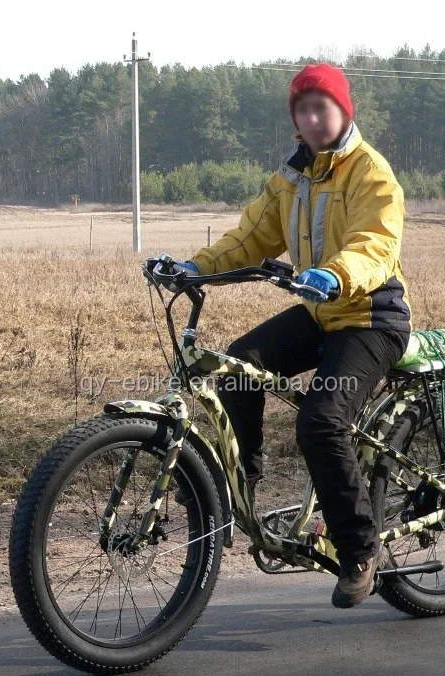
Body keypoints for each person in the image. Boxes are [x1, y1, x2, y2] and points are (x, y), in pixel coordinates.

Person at [176, 62, 412, 608]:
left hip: (370, 315)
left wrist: (335, 272)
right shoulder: (291, 177)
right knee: (237, 367)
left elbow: (376, 242)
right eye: (302, 109)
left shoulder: (370, 171)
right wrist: (194, 266)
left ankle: (358, 552)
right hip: (320, 313)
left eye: (321, 107)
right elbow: (252, 237)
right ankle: (244, 490)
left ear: (342, 111)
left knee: (321, 421)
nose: (311, 117)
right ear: (295, 121)